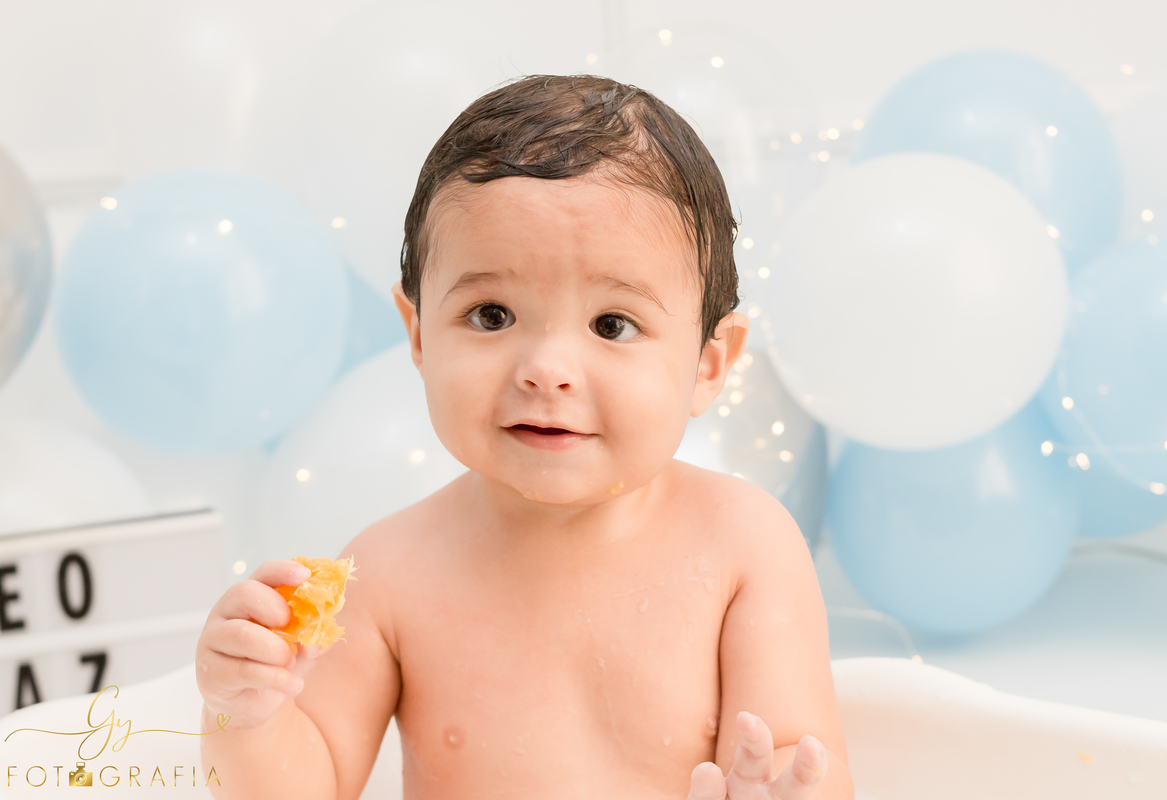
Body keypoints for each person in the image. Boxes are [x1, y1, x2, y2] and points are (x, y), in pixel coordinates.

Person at [196, 74, 852, 800]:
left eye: (612, 325)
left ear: (708, 363)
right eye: (491, 315)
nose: (546, 370)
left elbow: (797, 753)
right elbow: (305, 785)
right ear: (418, 332)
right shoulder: (391, 573)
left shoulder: (742, 546)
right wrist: (246, 716)